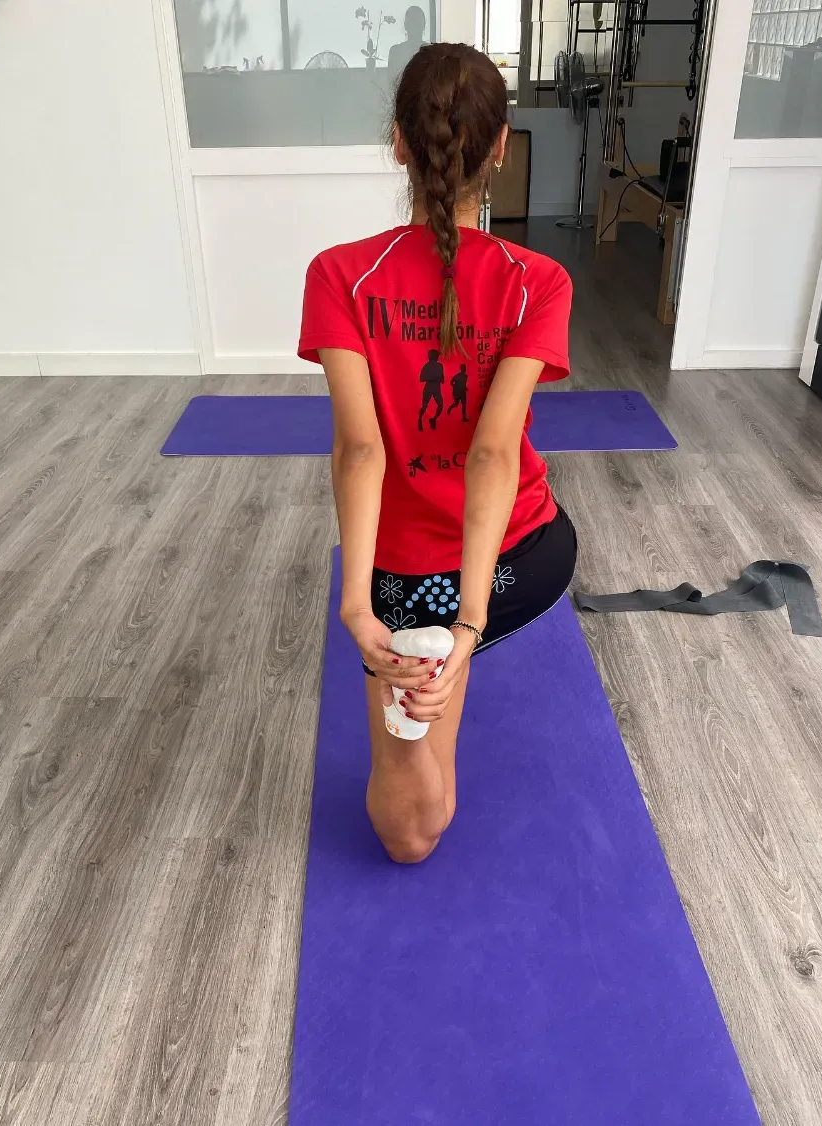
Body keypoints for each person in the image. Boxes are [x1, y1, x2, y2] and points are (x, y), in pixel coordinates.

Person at [299, 42, 576, 865]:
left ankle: (436, 656)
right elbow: (491, 455)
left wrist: (369, 608)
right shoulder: (539, 279)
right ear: (500, 146)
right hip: (531, 553)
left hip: (428, 575)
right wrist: (470, 621)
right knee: (418, 800)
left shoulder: (339, 274)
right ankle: (447, 654)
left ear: (395, 142)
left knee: (409, 838)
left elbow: (359, 450)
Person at [387, 6, 429, 81]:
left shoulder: (432, 51)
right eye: (412, 22)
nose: (415, 27)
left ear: (423, 25)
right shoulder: (395, 51)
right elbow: (390, 81)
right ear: (406, 25)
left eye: (418, 23)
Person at [418, 348, 445, 431]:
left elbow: (442, 379)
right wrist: (433, 378)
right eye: (437, 356)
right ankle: (420, 419)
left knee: (440, 405)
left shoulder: (440, 366)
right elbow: (421, 378)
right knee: (425, 405)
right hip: (429, 387)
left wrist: (438, 378)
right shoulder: (427, 366)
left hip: (436, 388)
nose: (438, 357)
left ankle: (433, 419)